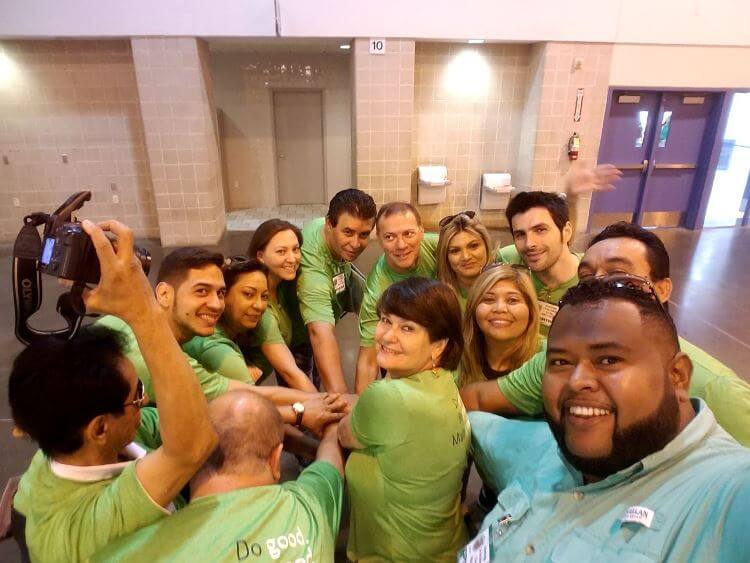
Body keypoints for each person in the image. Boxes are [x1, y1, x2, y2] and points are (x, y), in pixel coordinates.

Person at [465, 280, 750, 561]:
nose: (577, 381)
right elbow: (477, 426)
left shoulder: (729, 492)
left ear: (677, 376)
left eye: (608, 360)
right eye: (561, 362)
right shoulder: (549, 448)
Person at [10, 219, 217, 563]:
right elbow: (194, 444)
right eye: (137, 395)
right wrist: (142, 309)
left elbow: (190, 421)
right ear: (100, 428)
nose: (145, 400)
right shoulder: (78, 530)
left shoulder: (65, 429)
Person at [460, 222, 750, 447]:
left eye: (619, 276)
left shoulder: (717, 391)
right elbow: (477, 398)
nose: (598, 287)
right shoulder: (560, 360)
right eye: (586, 278)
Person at [96, 247, 346, 435]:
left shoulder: (132, 326)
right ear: (163, 293)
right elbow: (245, 404)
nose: (216, 304)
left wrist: (323, 403)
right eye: (201, 291)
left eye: (220, 293)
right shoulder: (154, 356)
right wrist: (313, 410)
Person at [90, 391, 345, 562]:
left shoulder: (128, 553)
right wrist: (332, 425)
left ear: (196, 451)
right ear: (276, 458)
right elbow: (329, 460)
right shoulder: (309, 505)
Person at [338, 277, 471, 562]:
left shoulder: (387, 398)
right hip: (445, 547)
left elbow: (343, 433)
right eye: (386, 320)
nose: (387, 336)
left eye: (407, 328)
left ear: (439, 345)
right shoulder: (444, 380)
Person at [498, 163, 622, 335]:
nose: (529, 244)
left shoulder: (594, 280)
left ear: (567, 231)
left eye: (540, 230)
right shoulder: (509, 261)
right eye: (520, 234)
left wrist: (571, 199)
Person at [297, 188, 377, 393]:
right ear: (329, 224)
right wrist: (342, 399)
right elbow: (320, 333)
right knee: (306, 393)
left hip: (333, 296)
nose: (355, 244)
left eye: (364, 234)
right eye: (348, 232)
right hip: (298, 334)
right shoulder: (313, 270)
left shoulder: (328, 233)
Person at [355, 202, 440, 392]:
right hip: (402, 353)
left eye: (408, 234)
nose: (401, 245)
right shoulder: (378, 290)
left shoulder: (439, 247)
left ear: (421, 232)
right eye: (390, 237)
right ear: (379, 239)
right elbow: (368, 361)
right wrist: (361, 406)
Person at [245, 219, 318, 391]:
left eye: (295, 249)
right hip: (238, 389)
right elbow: (289, 372)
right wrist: (326, 404)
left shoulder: (284, 284)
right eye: (281, 251)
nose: (292, 259)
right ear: (260, 256)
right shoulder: (260, 307)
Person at [182, 257, 269, 384]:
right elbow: (253, 394)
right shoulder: (214, 347)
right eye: (248, 294)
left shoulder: (231, 330)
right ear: (223, 295)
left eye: (264, 296)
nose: (259, 305)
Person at [460, 264, 541, 386]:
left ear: (531, 310)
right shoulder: (454, 357)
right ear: (473, 307)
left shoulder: (546, 358)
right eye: (488, 299)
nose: (500, 308)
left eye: (512, 300)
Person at [436, 210, 495, 310]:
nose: (466, 257)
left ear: (486, 245)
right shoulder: (439, 298)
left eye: (473, 246)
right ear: (446, 258)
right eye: (455, 251)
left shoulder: (506, 286)